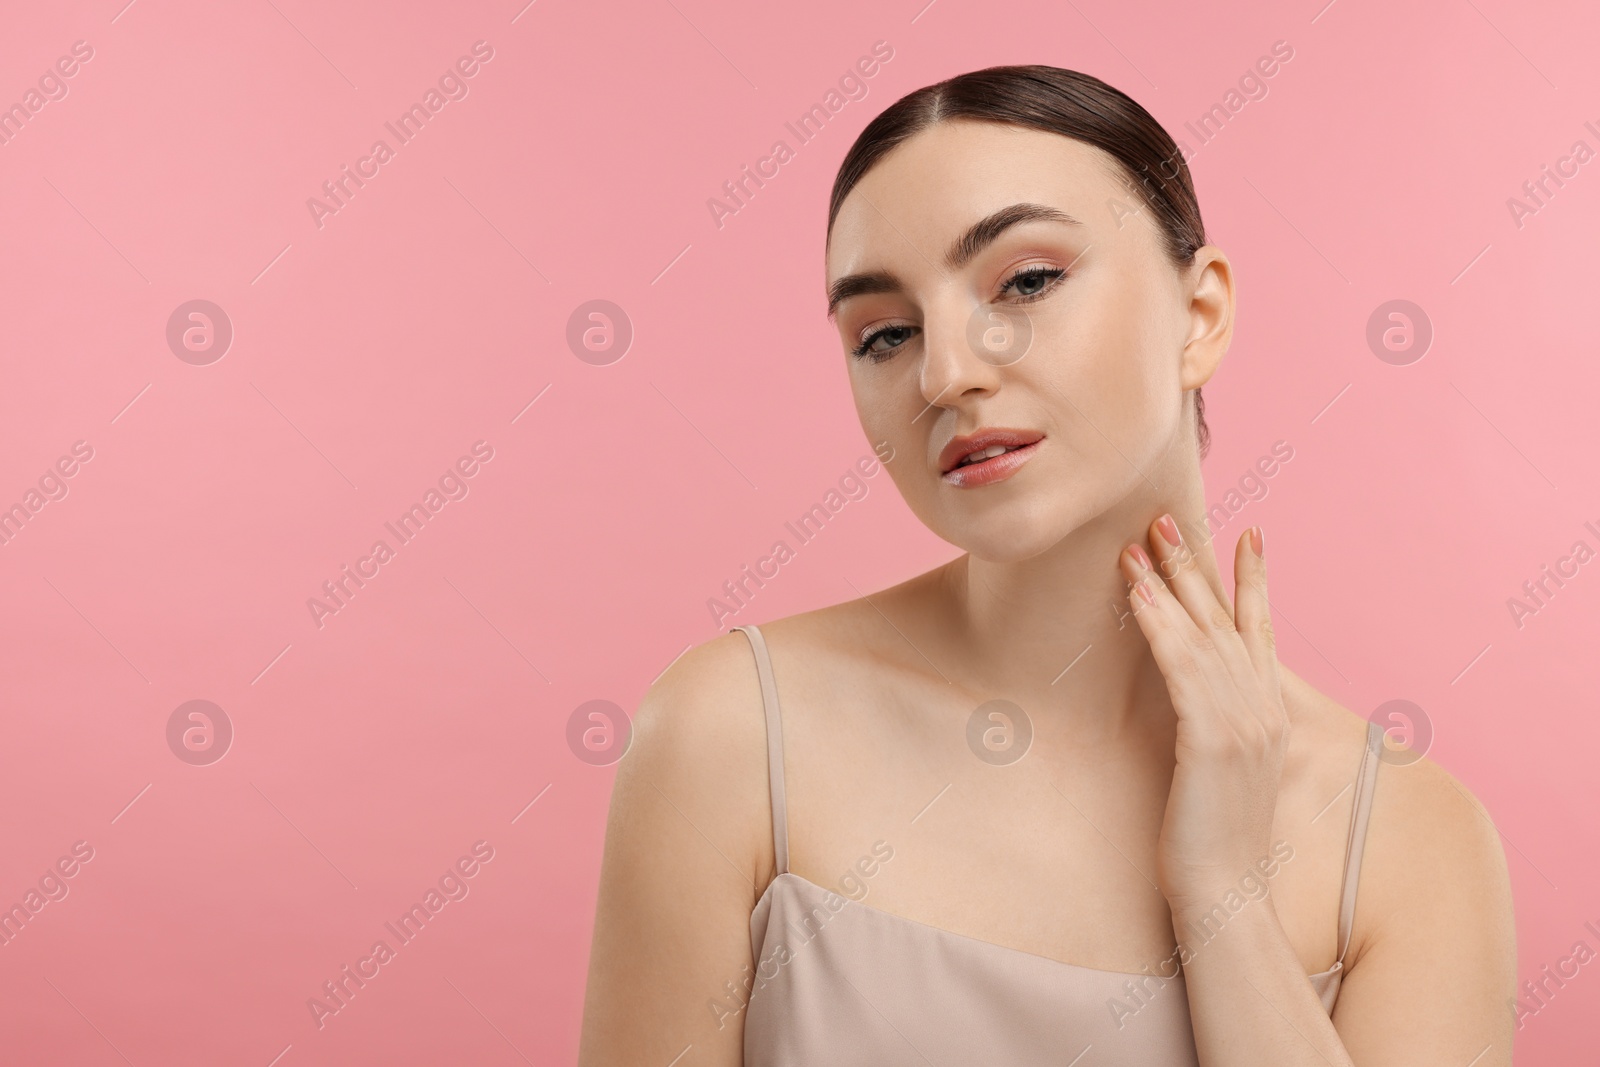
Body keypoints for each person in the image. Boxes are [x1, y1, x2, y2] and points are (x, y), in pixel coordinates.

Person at [579, 65, 1516, 1066]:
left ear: (1198, 314)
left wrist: (1223, 898)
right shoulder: (729, 736)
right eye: (884, 334)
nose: (945, 373)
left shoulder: (1411, 843)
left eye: (1026, 281)